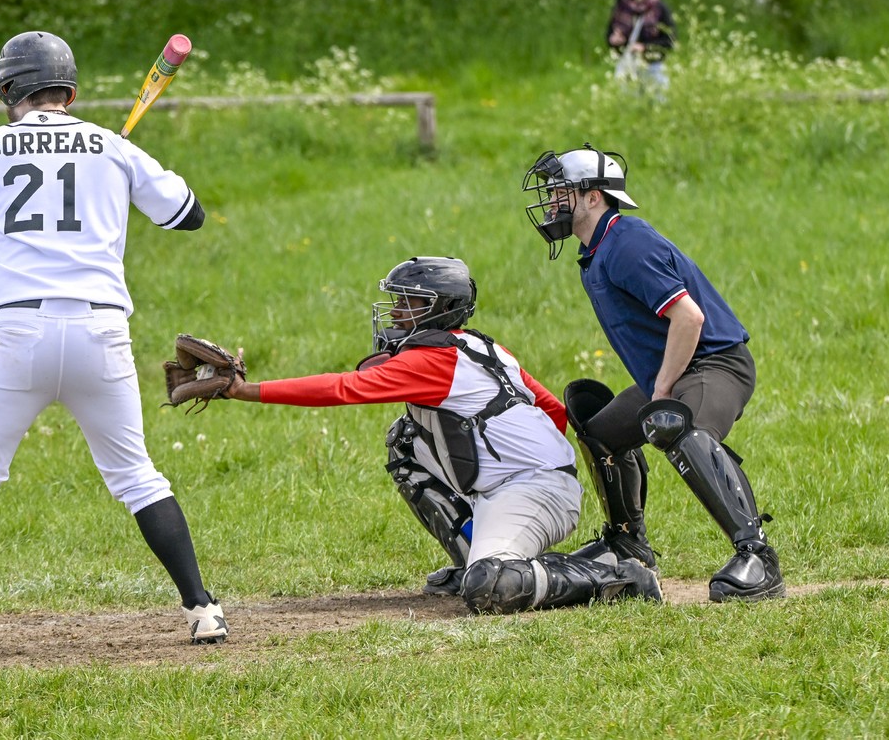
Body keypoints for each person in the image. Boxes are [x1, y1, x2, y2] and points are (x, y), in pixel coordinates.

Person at [0, 30, 226, 663]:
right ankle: (203, 610)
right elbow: (189, 214)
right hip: (99, 333)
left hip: (15, 333)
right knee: (136, 477)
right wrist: (116, 165)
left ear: (9, 91)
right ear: (71, 92)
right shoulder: (113, 146)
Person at [214, 257, 662, 615]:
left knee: (491, 586)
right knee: (406, 440)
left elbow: (343, 389)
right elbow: (553, 413)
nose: (396, 311)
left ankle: (619, 578)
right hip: (526, 482)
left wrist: (246, 390)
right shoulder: (484, 346)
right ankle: (483, 556)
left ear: (440, 309)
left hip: (533, 489)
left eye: (409, 302)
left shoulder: (431, 360)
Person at [522, 144, 785, 602]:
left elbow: (690, 318)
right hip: (681, 369)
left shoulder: (627, 243)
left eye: (561, 192)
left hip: (716, 363)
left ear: (593, 197)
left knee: (677, 426)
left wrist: (661, 390)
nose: (551, 202)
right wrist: (660, 387)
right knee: (599, 433)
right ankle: (626, 545)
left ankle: (758, 557)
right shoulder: (597, 249)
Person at [606, 0, 676, 90]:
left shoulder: (659, 8)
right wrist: (614, 40)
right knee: (627, 100)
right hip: (627, 63)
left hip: (653, 65)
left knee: (657, 98)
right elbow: (609, 34)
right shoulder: (620, 7)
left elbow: (670, 39)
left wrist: (644, 47)